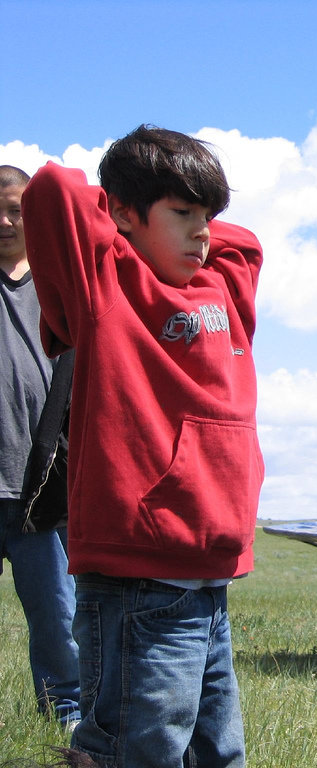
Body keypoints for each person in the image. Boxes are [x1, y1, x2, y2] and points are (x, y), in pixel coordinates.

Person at [22, 125, 265, 767]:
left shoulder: (221, 289)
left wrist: (182, 205)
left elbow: (243, 243)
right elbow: (54, 190)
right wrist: (125, 212)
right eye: (182, 214)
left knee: (220, 753)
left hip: (207, 582)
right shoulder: (106, 286)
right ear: (124, 217)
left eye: (206, 216)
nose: (203, 233)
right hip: (139, 584)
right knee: (140, 750)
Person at [0, 165, 80, 729]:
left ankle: (65, 715)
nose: (4, 222)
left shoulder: (62, 283)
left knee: (58, 616)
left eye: (15, 209)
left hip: (41, 484)